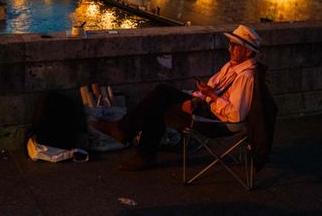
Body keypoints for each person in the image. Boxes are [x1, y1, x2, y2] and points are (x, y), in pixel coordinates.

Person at [92, 24, 261, 171]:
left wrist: (209, 95)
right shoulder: (231, 67)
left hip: (219, 123)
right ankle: (137, 147)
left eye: (234, 45)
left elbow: (235, 116)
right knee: (159, 100)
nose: (229, 49)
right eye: (230, 44)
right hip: (206, 108)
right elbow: (212, 89)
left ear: (247, 51)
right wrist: (196, 97)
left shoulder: (246, 77)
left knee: (160, 99)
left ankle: (132, 140)